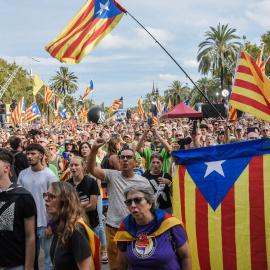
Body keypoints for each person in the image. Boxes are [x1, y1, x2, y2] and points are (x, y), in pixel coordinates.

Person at [87, 138, 151, 270]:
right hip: (113, 229)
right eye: (122, 157)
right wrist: (93, 150)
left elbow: (151, 206)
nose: (125, 159)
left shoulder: (143, 182)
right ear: (119, 160)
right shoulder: (111, 175)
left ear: (134, 161)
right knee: (116, 267)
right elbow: (90, 169)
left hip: (136, 229)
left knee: (138, 264)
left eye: (129, 157)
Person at [114, 184, 192, 270]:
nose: (132, 205)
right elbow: (122, 262)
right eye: (129, 202)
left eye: (137, 200)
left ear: (150, 203)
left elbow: (185, 256)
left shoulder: (170, 224)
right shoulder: (125, 229)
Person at [18, 143, 58, 270]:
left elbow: (55, 202)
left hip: (44, 223)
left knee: (49, 260)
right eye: (28, 154)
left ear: (41, 156)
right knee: (29, 259)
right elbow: (19, 199)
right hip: (27, 224)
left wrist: (51, 225)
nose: (29, 156)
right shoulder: (23, 174)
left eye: (33, 154)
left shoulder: (49, 175)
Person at [44, 181, 101, 270]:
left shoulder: (75, 230)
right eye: (46, 195)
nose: (46, 198)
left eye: (51, 196)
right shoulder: (61, 226)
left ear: (64, 201)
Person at [0, 148, 37, 270]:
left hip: (16, 263)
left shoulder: (23, 197)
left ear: (6, 168)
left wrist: (29, 267)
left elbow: (30, 236)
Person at [66, 156, 100, 236]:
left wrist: (75, 209)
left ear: (83, 167)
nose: (73, 168)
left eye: (76, 165)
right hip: (74, 226)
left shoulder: (91, 182)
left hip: (92, 224)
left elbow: (92, 206)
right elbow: (67, 206)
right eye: (71, 165)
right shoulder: (67, 184)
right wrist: (84, 203)